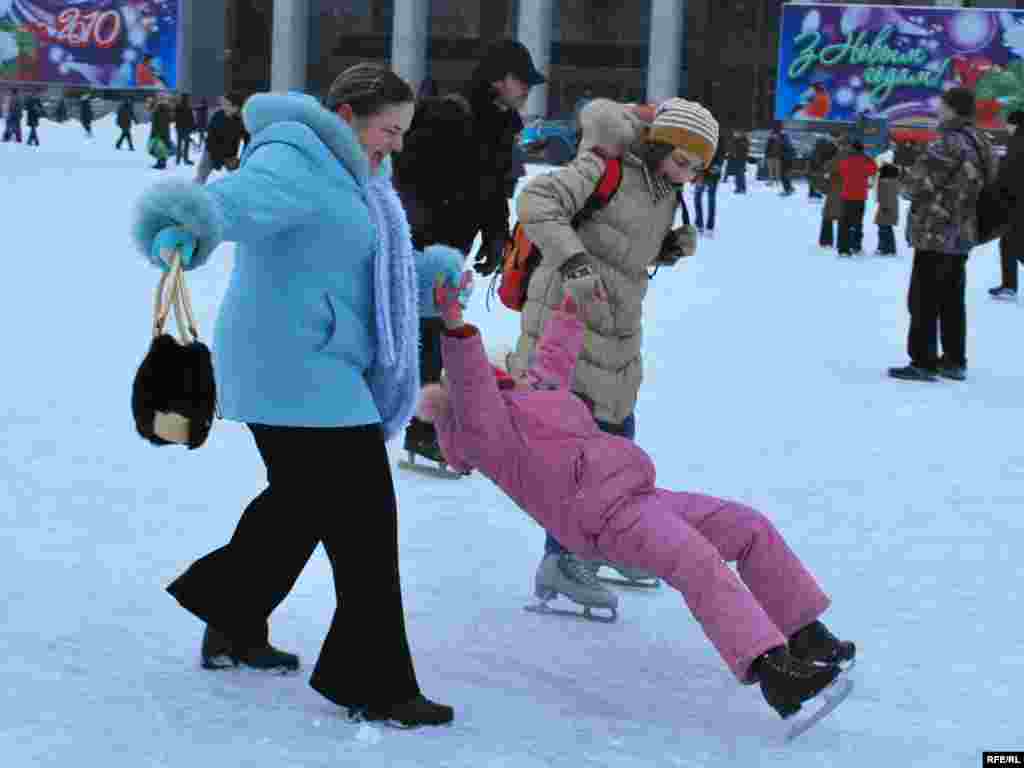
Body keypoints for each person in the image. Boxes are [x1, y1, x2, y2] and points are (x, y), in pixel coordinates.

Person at [131, 63, 461, 727]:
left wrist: (427, 281)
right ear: (347, 117)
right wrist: (184, 226)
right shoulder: (296, 156)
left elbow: (364, 260)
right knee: (365, 523)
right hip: (294, 365)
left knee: (300, 505)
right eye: (388, 129)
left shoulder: (356, 173)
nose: (394, 144)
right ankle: (375, 681)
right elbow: (233, 203)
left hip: (321, 361)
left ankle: (231, 618)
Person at [419, 271, 856, 721]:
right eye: (489, 372)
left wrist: (572, 312)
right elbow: (472, 387)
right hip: (603, 518)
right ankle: (774, 672)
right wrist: (453, 322)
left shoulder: (529, 394)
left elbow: (552, 361)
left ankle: (806, 634)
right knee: (695, 560)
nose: (500, 373)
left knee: (747, 526)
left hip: (639, 495)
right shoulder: (487, 436)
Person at [513, 97, 710, 615]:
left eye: (698, 168)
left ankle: (603, 544)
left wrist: (665, 248)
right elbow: (537, 203)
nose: (688, 175)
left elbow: (626, 246)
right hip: (568, 321)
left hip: (617, 329)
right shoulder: (606, 166)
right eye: (683, 161)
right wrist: (575, 262)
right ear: (662, 145)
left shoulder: (663, 190)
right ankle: (563, 560)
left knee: (620, 443)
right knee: (585, 454)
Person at [392, 39, 545, 467]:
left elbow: (494, 189)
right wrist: (422, 235)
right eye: (523, 80)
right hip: (424, 245)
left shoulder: (502, 126)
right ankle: (420, 428)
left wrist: (495, 235)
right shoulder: (448, 115)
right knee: (430, 334)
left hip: (455, 244)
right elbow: (406, 178)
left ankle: (423, 425)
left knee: (437, 332)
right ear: (501, 80)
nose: (529, 88)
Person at [889, 87, 996, 383]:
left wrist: (901, 179)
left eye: (942, 105)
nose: (938, 110)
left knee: (923, 299)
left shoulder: (947, 143)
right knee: (951, 298)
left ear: (951, 109)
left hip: (936, 231)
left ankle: (922, 361)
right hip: (964, 231)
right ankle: (953, 360)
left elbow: (916, 185)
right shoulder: (982, 141)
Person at [989, 110, 1024, 300]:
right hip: (1017, 201)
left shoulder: (1018, 142)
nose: (1006, 127)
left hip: (1017, 203)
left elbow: (1009, 173)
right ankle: (1009, 285)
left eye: (1008, 124)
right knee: (1011, 243)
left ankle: (1009, 285)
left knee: (1012, 244)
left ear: (1015, 124)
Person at [195, 93, 250, 185]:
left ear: (235, 107)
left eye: (227, 104)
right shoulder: (218, 116)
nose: (224, 106)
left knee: (240, 177)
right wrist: (218, 159)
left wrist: (243, 158)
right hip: (212, 152)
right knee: (201, 175)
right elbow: (210, 141)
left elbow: (247, 140)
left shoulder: (241, 121)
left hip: (230, 155)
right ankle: (195, 190)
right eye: (224, 104)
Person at [836, 140, 878, 257]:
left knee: (844, 223)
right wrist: (868, 159)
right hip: (860, 197)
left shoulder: (846, 159)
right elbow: (873, 170)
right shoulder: (865, 160)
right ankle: (856, 246)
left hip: (846, 196)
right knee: (858, 223)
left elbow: (841, 171)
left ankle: (843, 248)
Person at [693, 143, 723, 237]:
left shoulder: (714, 138)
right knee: (706, 198)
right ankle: (705, 226)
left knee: (702, 198)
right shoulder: (719, 138)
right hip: (707, 172)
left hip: (707, 172)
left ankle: (702, 225)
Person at [874, 163, 901, 256]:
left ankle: (884, 248)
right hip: (891, 207)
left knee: (884, 229)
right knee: (887, 228)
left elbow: (882, 196)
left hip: (885, 207)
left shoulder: (884, 182)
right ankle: (889, 248)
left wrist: (885, 206)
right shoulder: (895, 182)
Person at [147, 94, 173, 170]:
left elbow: (158, 121)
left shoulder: (160, 109)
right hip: (164, 131)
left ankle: (161, 163)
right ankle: (161, 163)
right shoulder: (165, 108)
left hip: (159, 131)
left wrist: (156, 132)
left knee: (158, 148)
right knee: (161, 148)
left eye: (159, 99)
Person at [174, 93, 196, 166]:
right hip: (186, 128)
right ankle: (186, 160)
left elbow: (175, 117)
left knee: (179, 144)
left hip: (179, 128)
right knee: (186, 144)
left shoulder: (178, 107)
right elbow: (191, 119)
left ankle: (178, 160)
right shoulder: (188, 107)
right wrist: (193, 127)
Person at [726, 130, 749, 194]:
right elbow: (731, 148)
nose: (735, 134)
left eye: (736, 133)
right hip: (734, 159)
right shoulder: (734, 140)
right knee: (737, 175)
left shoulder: (743, 141)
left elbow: (744, 150)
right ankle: (738, 187)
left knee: (740, 174)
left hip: (741, 159)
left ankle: (742, 188)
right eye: (735, 133)